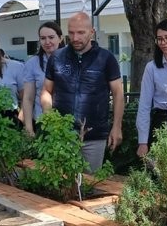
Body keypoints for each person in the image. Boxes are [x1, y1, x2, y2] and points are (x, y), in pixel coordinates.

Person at [41, 12, 124, 173]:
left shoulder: (106, 58)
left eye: (80, 33)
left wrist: (117, 127)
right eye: (71, 33)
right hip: (63, 135)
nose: (75, 38)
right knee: (62, 182)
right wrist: (50, 119)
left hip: (95, 136)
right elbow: (46, 90)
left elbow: (118, 94)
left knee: (91, 183)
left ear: (91, 32)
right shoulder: (57, 57)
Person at [136, 18, 167, 157]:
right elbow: (144, 105)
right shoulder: (151, 68)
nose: (163, 43)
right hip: (161, 122)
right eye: (159, 39)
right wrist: (142, 142)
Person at [21, 21, 64, 136]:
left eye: (51, 37)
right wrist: (29, 128)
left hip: (67, 121)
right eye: (43, 38)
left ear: (60, 38)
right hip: (42, 121)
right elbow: (28, 98)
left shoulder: (72, 61)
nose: (47, 42)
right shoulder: (32, 64)